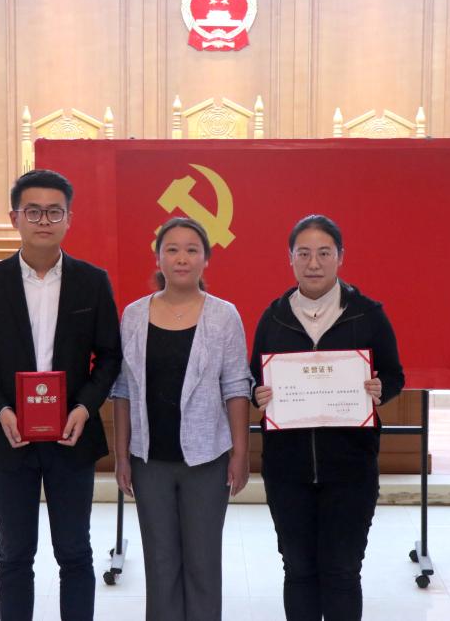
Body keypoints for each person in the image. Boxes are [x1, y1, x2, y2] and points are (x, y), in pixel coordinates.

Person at [0, 169, 122, 621]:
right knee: (14, 554)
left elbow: (109, 356)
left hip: (71, 435)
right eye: (33, 211)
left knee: (75, 553)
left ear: (69, 219)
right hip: (10, 437)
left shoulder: (92, 281)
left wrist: (85, 407)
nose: (44, 220)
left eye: (54, 212)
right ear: (15, 218)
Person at [250, 214, 405, 621]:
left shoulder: (367, 314)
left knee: (341, 572)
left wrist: (380, 388)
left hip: (350, 469)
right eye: (303, 254)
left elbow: (394, 375)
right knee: (298, 570)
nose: (314, 263)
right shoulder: (274, 316)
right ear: (290, 259)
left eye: (324, 253)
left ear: (340, 257)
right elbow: (254, 377)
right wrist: (257, 393)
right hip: (287, 470)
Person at [110, 217, 252, 621]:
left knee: (203, 563)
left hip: (207, 460)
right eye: (172, 249)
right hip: (149, 459)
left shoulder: (224, 315)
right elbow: (123, 390)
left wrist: (241, 454)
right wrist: (121, 456)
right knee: (160, 564)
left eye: (192, 250)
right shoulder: (134, 315)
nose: (182, 258)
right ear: (159, 258)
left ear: (206, 259)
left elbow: (236, 388)